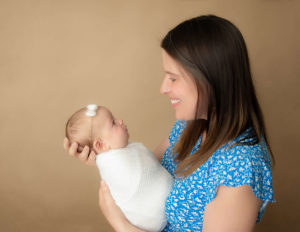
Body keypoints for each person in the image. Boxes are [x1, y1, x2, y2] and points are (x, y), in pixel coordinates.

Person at [64, 15, 275, 232]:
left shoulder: (240, 168)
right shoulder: (189, 127)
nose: (163, 88)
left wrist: (120, 224)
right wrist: (106, 160)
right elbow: (146, 171)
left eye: (173, 78)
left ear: (210, 80)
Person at [65, 104, 174, 232]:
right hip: (149, 220)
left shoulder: (120, 152)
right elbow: (122, 175)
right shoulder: (111, 163)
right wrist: (99, 162)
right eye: (113, 123)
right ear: (100, 145)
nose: (120, 121)